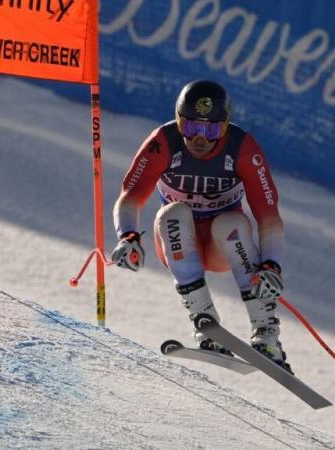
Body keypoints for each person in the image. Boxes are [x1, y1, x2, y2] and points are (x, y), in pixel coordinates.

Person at [111, 80, 291, 373]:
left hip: (223, 245)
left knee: (231, 223)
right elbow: (129, 198)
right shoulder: (163, 142)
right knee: (172, 214)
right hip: (179, 242)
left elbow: (269, 216)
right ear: (179, 121)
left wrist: (271, 265)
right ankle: (204, 321)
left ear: (225, 126)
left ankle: (266, 331)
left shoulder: (242, 148)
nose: (200, 139)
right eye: (192, 128)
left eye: (211, 130)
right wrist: (128, 236)